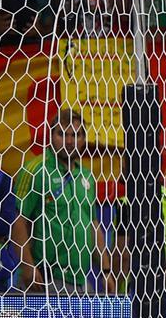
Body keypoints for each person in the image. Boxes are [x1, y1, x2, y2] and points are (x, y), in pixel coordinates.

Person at [13, 110, 108, 294]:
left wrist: (105, 270)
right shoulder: (36, 170)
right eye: (62, 134)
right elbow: (18, 221)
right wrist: (28, 267)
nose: (69, 141)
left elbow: (92, 224)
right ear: (51, 136)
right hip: (45, 279)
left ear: (84, 139)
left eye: (76, 135)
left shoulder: (86, 176)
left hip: (81, 281)